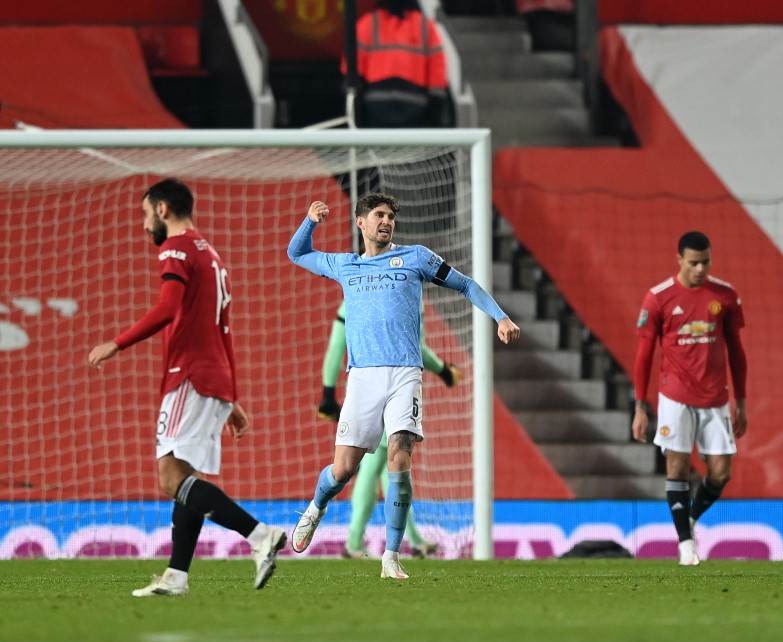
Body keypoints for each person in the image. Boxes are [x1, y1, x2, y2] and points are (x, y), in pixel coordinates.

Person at [287, 192, 520, 579]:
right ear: (361, 223)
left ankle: (391, 557)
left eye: (391, 216)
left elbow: (466, 285)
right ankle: (315, 508)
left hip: (404, 374)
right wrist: (310, 221)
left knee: (400, 456)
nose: (387, 221)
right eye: (378, 215)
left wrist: (500, 317)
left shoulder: (416, 258)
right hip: (362, 377)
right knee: (344, 469)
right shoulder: (345, 265)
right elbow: (297, 253)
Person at [87, 178, 286, 597]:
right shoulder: (211, 255)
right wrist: (229, 394)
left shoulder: (176, 248)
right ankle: (177, 576)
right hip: (211, 375)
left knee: (169, 477)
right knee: (187, 477)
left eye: (144, 215)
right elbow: (222, 329)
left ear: (162, 210)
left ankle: (259, 535)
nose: (143, 226)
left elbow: (167, 307)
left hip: (189, 374)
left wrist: (116, 344)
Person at [631, 231, 748, 567]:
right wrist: (641, 405)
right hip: (675, 396)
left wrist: (741, 399)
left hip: (716, 398)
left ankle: (690, 519)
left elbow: (736, 353)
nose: (700, 269)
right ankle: (685, 544)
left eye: (706, 262)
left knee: (721, 473)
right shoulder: (658, 298)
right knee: (678, 465)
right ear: (679, 260)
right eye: (694, 262)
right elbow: (644, 355)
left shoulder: (724, 295)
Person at [317, 299, 462, 559]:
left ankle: (407, 540)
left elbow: (337, 344)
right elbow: (415, 347)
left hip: (362, 388)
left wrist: (328, 392)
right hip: (393, 389)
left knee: (380, 468)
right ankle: (355, 541)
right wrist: (443, 370)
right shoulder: (406, 294)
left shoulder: (353, 293)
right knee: (380, 467)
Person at [344, 0, 453, 128]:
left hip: (376, 103)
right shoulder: (425, 27)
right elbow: (437, 74)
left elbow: (351, 71)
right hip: (415, 104)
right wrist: (436, 113)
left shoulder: (367, 23)